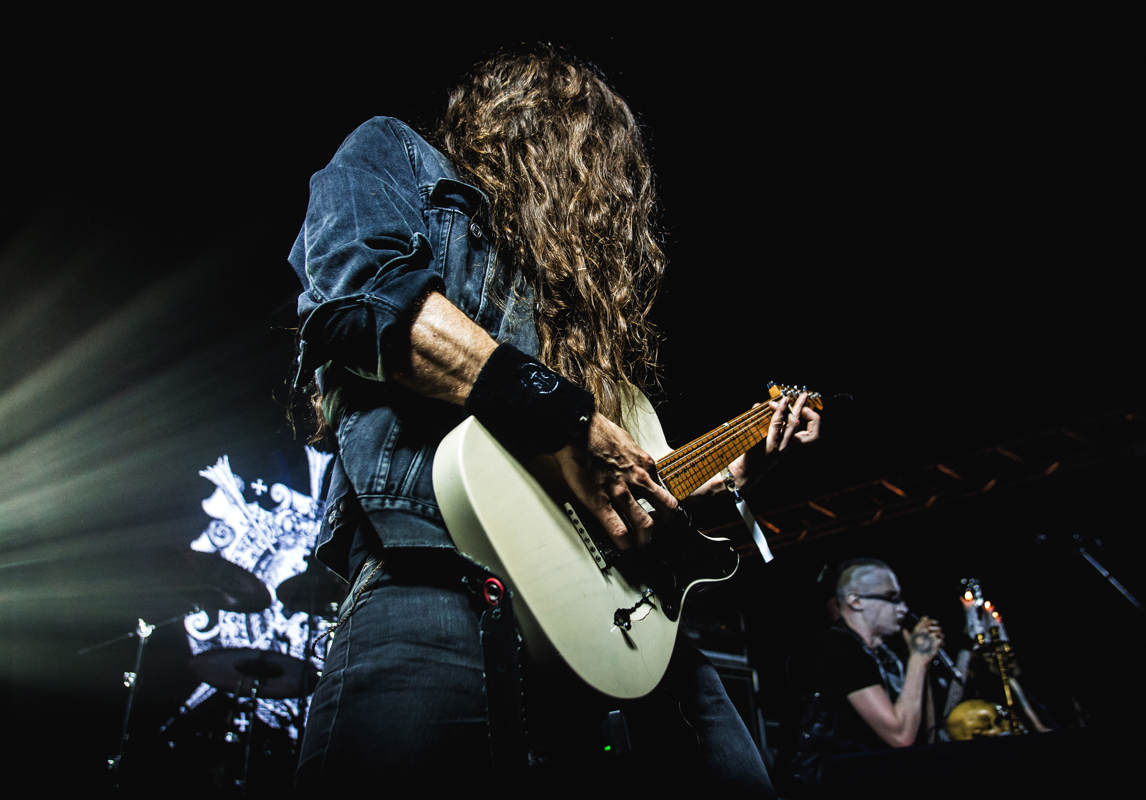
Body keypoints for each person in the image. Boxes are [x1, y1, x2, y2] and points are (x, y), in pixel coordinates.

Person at [287, 46, 820, 797]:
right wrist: (569, 421)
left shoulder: (584, 330)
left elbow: (633, 504)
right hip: (436, 584)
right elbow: (362, 299)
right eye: (591, 148)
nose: (605, 184)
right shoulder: (395, 156)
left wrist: (730, 479)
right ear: (531, 127)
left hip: (612, 626)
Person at [775, 559, 943, 793]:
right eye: (891, 597)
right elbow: (900, 735)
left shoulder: (884, 657)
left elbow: (925, 738)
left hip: (862, 782)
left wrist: (921, 665)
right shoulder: (837, 648)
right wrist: (917, 660)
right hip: (822, 787)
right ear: (855, 601)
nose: (903, 608)